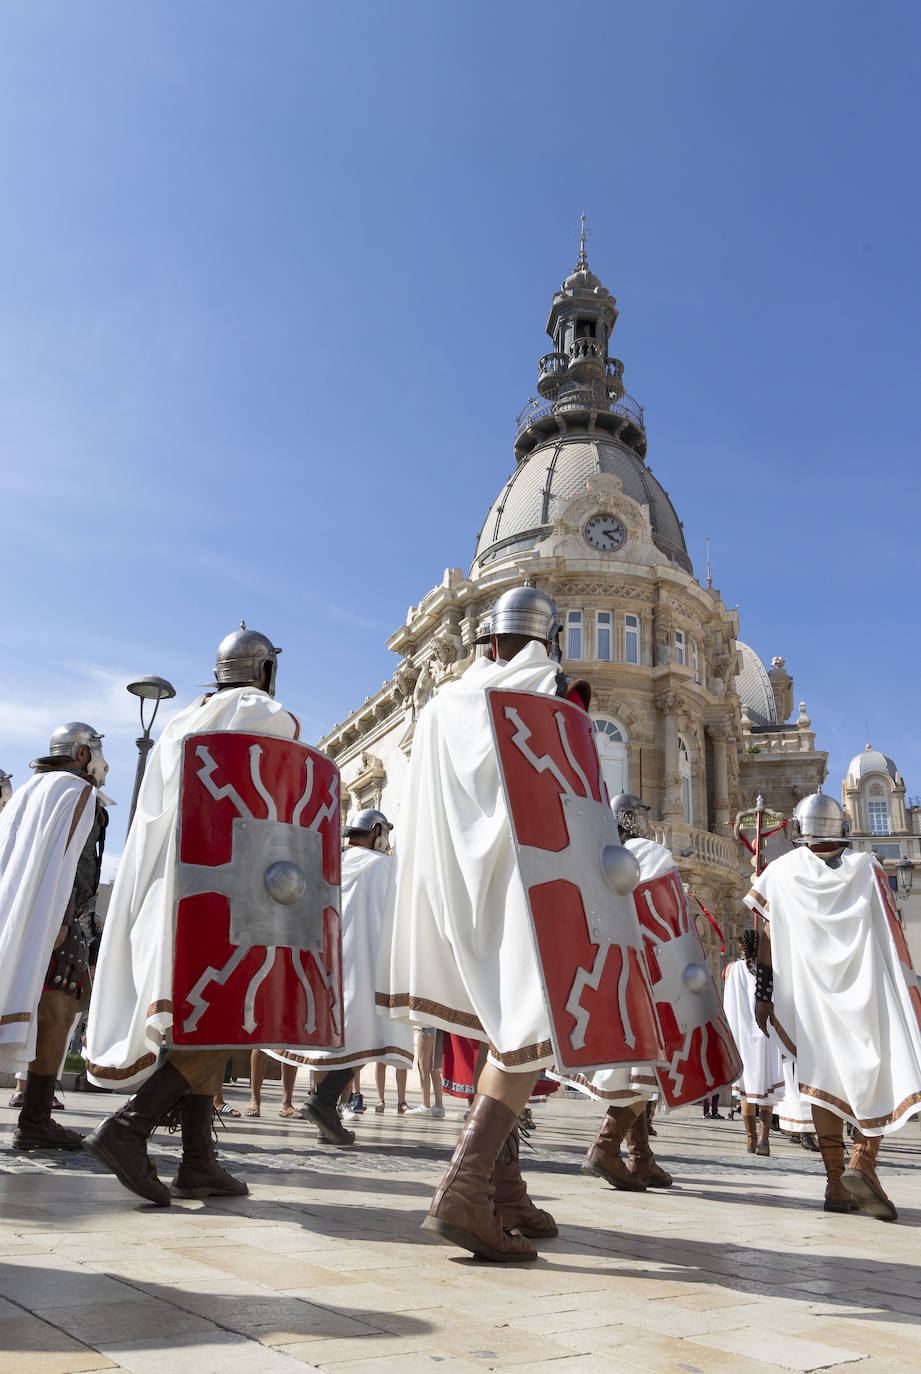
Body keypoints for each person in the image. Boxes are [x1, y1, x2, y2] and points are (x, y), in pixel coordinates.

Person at [381, 586, 587, 1262]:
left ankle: (505, 1189)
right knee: (526, 1032)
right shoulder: (549, 696)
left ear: (485, 645)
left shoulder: (444, 704)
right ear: (544, 642)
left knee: (503, 1032)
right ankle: (464, 1190)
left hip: (452, 890)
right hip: (527, 890)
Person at [83, 625, 301, 1205]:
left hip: (173, 886)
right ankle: (130, 1127)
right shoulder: (262, 710)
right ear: (264, 671)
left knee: (203, 1017)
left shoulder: (183, 720)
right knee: (227, 1014)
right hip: (228, 886)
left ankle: (200, 1160)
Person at [747, 791, 921, 1221]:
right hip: (865, 991)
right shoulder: (868, 867)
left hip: (810, 999)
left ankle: (833, 1182)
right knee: (874, 1071)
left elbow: (765, 940)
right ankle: (863, 1161)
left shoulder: (779, 873)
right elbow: (892, 931)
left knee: (821, 1076)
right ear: (840, 829)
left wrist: (764, 995)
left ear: (799, 830)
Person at [275, 808, 414, 1145]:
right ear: (378, 830)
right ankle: (323, 1102)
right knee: (370, 1036)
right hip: (365, 962)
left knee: (341, 1041)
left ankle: (327, 1112)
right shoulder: (383, 867)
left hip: (322, 964)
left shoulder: (327, 866)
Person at [0, 725, 109, 1150]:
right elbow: (72, 862)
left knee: (41, 1011)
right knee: (58, 1015)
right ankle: (35, 1121)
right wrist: (62, 918)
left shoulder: (28, 792)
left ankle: (36, 1118)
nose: (101, 763)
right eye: (96, 751)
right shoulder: (77, 792)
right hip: (54, 919)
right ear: (81, 752)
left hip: (19, 911)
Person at [573, 794, 673, 1193]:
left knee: (636, 1067)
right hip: (648, 974)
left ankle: (642, 1158)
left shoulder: (596, 855)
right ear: (634, 819)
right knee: (647, 1069)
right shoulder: (650, 853)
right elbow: (667, 920)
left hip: (609, 974)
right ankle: (606, 1145)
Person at [722, 930, 783, 1156]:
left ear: (740, 947)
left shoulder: (732, 970)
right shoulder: (769, 972)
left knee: (747, 1091)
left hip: (744, 1038)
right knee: (767, 1090)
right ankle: (764, 1139)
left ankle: (750, 1139)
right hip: (766, 1035)